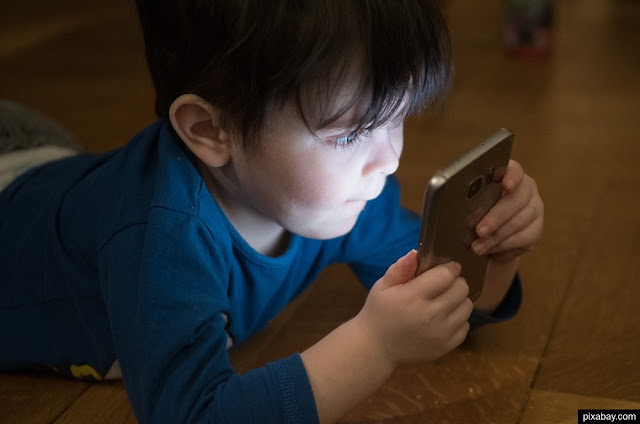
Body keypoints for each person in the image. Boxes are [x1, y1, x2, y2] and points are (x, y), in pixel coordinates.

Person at [0, 1, 544, 423]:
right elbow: (192, 414)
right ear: (212, 131)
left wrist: (496, 251)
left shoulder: (345, 192)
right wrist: (374, 346)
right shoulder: (162, 238)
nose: (390, 158)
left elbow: (448, 303)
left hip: (52, 170)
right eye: (352, 133)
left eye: (396, 115)